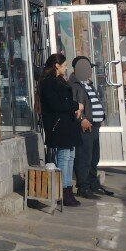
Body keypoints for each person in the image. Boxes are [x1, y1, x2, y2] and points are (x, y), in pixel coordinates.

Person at [38, 53, 87, 207]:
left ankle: (67, 189)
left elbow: (65, 101)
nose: (66, 67)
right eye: (64, 65)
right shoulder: (48, 82)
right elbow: (56, 104)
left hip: (67, 123)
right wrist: (76, 106)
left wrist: (76, 107)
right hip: (58, 125)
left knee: (70, 155)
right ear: (56, 65)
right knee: (64, 156)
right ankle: (63, 191)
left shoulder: (59, 80)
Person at [70, 56, 115, 199]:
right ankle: (83, 186)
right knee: (84, 157)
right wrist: (82, 119)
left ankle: (92, 183)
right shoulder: (74, 85)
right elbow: (73, 105)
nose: (90, 72)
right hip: (85, 127)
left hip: (95, 126)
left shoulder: (88, 84)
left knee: (94, 157)